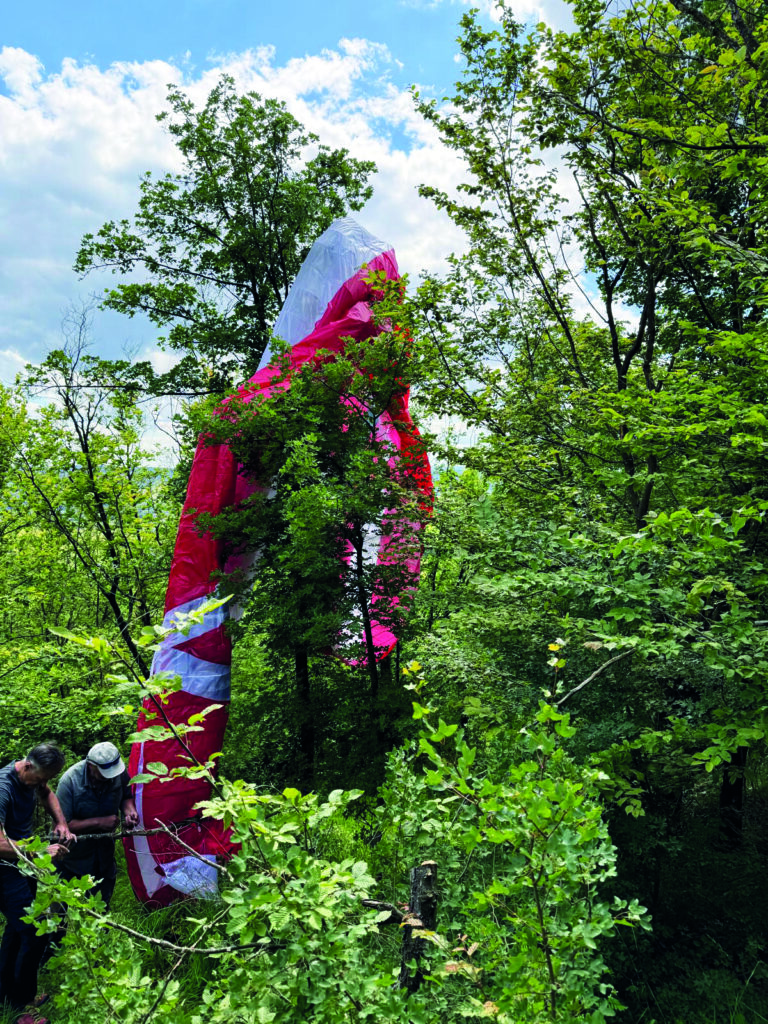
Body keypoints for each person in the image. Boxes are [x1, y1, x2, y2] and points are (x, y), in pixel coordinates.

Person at [0, 744, 73, 1024]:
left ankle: (6, 993)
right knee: (34, 931)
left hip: (22, 865)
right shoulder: (3, 788)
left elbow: (47, 792)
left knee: (18, 931)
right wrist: (40, 851)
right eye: (40, 778)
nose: (42, 784)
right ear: (27, 766)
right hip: (4, 870)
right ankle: (22, 1006)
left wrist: (61, 823)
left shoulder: (33, 778)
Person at [55, 742, 138, 908]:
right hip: (73, 859)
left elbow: (126, 796)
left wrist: (130, 812)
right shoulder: (70, 781)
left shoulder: (119, 774)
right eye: (103, 774)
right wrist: (100, 822)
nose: (109, 778)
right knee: (62, 913)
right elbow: (62, 825)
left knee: (101, 907)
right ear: (91, 765)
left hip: (104, 856)